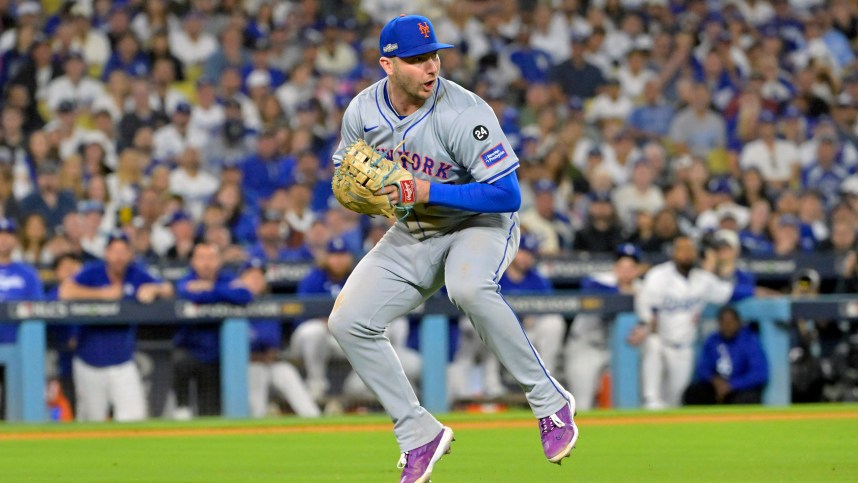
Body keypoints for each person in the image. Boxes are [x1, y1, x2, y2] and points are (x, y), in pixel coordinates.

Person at [327, 15, 577, 483]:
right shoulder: (361, 111)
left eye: (434, 56)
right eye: (417, 59)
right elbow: (346, 169)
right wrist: (358, 194)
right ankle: (418, 432)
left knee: (468, 288)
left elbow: (507, 195)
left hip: (480, 224)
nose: (431, 67)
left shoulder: (465, 112)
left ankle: (550, 401)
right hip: (415, 232)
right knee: (347, 322)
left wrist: (425, 190)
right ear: (387, 64)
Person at [59, 230, 174, 422]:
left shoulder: (136, 272)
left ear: (130, 254)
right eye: (114, 251)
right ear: (106, 253)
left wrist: (154, 289)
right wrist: (102, 295)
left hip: (123, 361)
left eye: (123, 251)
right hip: (89, 360)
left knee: (135, 416)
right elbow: (65, 291)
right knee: (91, 421)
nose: (118, 257)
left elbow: (168, 288)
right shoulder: (93, 271)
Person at [627, 236, 734, 410]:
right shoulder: (659, 275)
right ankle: (650, 398)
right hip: (660, 341)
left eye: (690, 250)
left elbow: (730, 292)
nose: (687, 254)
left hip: (684, 347)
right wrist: (646, 325)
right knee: (652, 397)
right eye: (682, 250)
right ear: (674, 253)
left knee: (676, 400)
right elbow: (646, 306)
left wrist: (766, 291)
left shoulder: (703, 280)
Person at [172, 242, 253, 419]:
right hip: (189, 349)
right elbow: (188, 293)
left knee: (210, 414)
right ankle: (182, 409)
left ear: (219, 261)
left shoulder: (226, 278)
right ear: (193, 261)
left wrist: (210, 288)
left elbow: (244, 294)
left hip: (216, 356)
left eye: (211, 258)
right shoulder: (186, 279)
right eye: (201, 258)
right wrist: (222, 294)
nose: (206, 263)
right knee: (179, 361)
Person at [565, 243, 642, 411]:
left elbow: (650, 317)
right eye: (622, 266)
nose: (626, 271)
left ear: (638, 270)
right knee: (582, 404)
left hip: (614, 350)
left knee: (622, 401)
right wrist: (622, 292)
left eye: (631, 267)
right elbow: (590, 290)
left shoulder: (640, 288)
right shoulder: (599, 280)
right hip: (585, 347)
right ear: (615, 267)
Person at [241, 258, 320, 418]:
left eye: (259, 276)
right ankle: (257, 424)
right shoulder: (231, 303)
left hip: (270, 363)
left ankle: (314, 419)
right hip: (245, 367)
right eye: (251, 276)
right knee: (256, 374)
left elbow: (271, 343)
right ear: (240, 279)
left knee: (287, 371)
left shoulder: (270, 303)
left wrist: (264, 352)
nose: (256, 280)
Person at [0, 217, 44, 418]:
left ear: (16, 239)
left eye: (8, 234)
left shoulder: (27, 274)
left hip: (18, 348)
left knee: (16, 411)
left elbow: (38, 309)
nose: (3, 239)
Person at [684, 306, 768, 405]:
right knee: (693, 393)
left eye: (730, 322)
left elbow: (759, 373)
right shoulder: (712, 340)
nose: (727, 326)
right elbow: (702, 368)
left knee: (749, 398)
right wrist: (715, 381)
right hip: (716, 386)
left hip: (739, 388)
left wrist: (732, 385)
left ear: (738, 322)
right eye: (723, 322)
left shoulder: (749, 340)